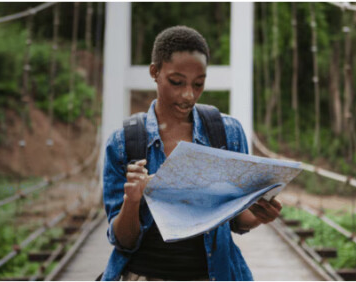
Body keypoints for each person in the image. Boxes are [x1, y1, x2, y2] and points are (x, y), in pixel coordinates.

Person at [101, 25, 282, 281]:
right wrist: (132, 200)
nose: (188, 95)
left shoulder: (227, 133)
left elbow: (238, 220)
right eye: (176, 82)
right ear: (154, 72)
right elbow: (124, 241)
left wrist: (260, 216)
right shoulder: (123, 143)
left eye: (198, 84)